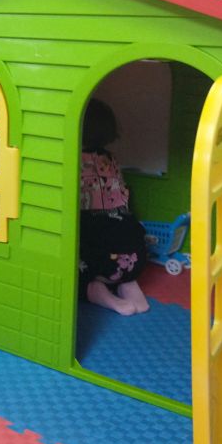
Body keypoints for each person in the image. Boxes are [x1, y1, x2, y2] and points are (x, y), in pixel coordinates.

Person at [78, 99, 150, 316]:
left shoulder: (73, 159)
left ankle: (95, 288)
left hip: (100, 252)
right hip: (131, 250)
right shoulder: (111, 159)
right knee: (124, 233)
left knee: (80, 246)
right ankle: (127, 283)